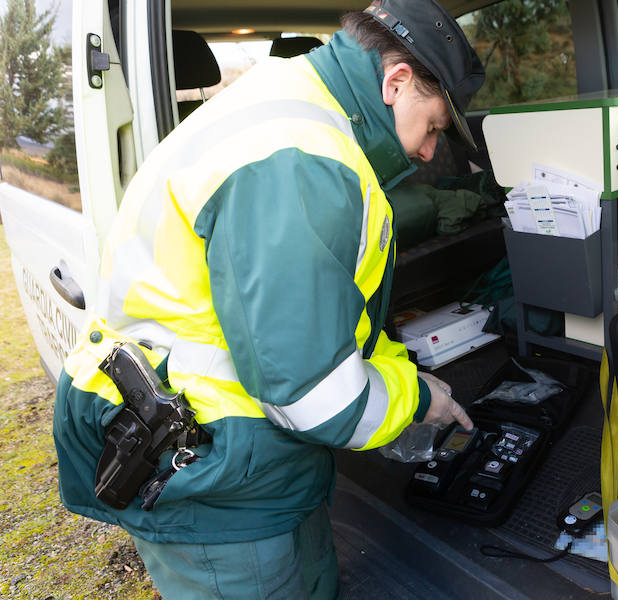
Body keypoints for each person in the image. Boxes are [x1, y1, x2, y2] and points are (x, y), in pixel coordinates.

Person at [52, 1, 484, 597]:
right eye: (434, 127)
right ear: (397, 81)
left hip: (252, 461)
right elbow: (314, 398)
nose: (431, 153)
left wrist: (393, 369)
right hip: (212, 478)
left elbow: (330, 322)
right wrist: (416, 402)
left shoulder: (299, 109)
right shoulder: (301, 160)